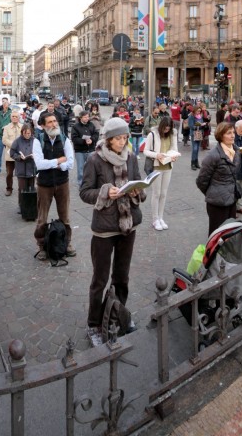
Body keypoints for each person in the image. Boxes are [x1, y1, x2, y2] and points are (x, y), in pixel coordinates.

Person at [79, 117, 144, 347]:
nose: (123, 142)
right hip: (105, 229)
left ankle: (118, 314)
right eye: (118, 138)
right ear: (108, 139)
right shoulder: (95, 160)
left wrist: (137, 190)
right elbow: (85, 192)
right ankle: (94, 324)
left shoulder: (132, 157)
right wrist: (106, 192)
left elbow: (138, 182)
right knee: (100, 279)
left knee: (122, 276)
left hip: (129, 225)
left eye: (125, 138)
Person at [32, 112, 77, 257]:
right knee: (42, 218)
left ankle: (67, 243)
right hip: (44, 185)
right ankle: (42, 246)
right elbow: (39, 164)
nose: (54, 124)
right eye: (50, 122)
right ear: (43, 125)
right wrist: (58, 161)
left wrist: (55, 165)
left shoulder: (64, 139)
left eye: (55, 121)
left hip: (62, 183)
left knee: (65, 217)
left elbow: (70, 163)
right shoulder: (38, 140)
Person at [196, 122, 242, 236]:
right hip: (217, 203)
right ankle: (212, 254)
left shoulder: (236, 150)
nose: (232, 136)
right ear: (221, 136)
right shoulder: (213, 155)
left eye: (233, 132)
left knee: (229, 234)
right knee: (216, 236)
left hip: (232, 199)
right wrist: (214, 192)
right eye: (228, 133)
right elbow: (201, 180)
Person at [143, 116, 178, 230]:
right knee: (156, 193)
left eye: (168, 129)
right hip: (156, 167)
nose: (166, 131)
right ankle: (155, 219)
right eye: (165, 128)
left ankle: (161, 217)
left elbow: (174, 149)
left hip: (168, 166)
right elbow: (145, 151)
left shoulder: (172, 134)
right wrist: (156, 155)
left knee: (163, 193)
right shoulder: (152, 135)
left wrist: (174, 156)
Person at [10, 123, 37, 214]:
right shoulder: (17, 141)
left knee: (32, 188)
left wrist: (35, 156)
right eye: (25, 133)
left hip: (32, 168)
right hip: (22, 168)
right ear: (22, 132)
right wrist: (19, 157)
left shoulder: (34, 140)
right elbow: (12, 153)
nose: (27, 135)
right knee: (22, 188)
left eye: (29, 133)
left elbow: (40, 152)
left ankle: (31, 205)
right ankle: (21, 205)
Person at [70, 111, 99, 186]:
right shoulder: (75, 127)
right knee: (80, 169)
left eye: (88, 117)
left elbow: (96, 134)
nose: (87, 118)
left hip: (91, 149)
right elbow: (74, 138)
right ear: (81, 118)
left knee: (91, 168)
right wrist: (84, 141)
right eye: (85, 117)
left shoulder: (91, 125)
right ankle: (81, 184)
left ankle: (91, 183)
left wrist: (92, 139)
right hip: (80, 150)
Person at [0, 111, 22, 196]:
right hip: (10, 155)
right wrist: (15, 145)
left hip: (20, 155)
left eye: (16, 116)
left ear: (19, 117)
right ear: (10, 117)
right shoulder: (6, 128)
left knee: (21, 174)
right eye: (13, 116)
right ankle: (9, 188)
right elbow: (4, 140)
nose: (14, 118)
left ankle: (22, 188)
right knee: (9, 174)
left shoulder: (22, 127)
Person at [0, 97, 12, 172]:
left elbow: (13, 124)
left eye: (6, 103)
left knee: (10, 154)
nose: (5, 104)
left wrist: (7, 128)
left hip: (8, 137)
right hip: (0, 137)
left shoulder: (11, 113)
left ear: (8, 104)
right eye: (3, 103)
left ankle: (10, 169)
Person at [188, 106, 210, 170]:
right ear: (194, 110)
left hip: (199, 132)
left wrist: (203, 124)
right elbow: (191, 126)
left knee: (197, 149)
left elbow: (202, 123)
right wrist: (199, 125)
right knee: (194, 149)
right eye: (198, 111)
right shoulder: (191, 116)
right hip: (194, 133)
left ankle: (196, 162)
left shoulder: (200, 116)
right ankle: (192, 163)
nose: (199, 112)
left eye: (200, 111)